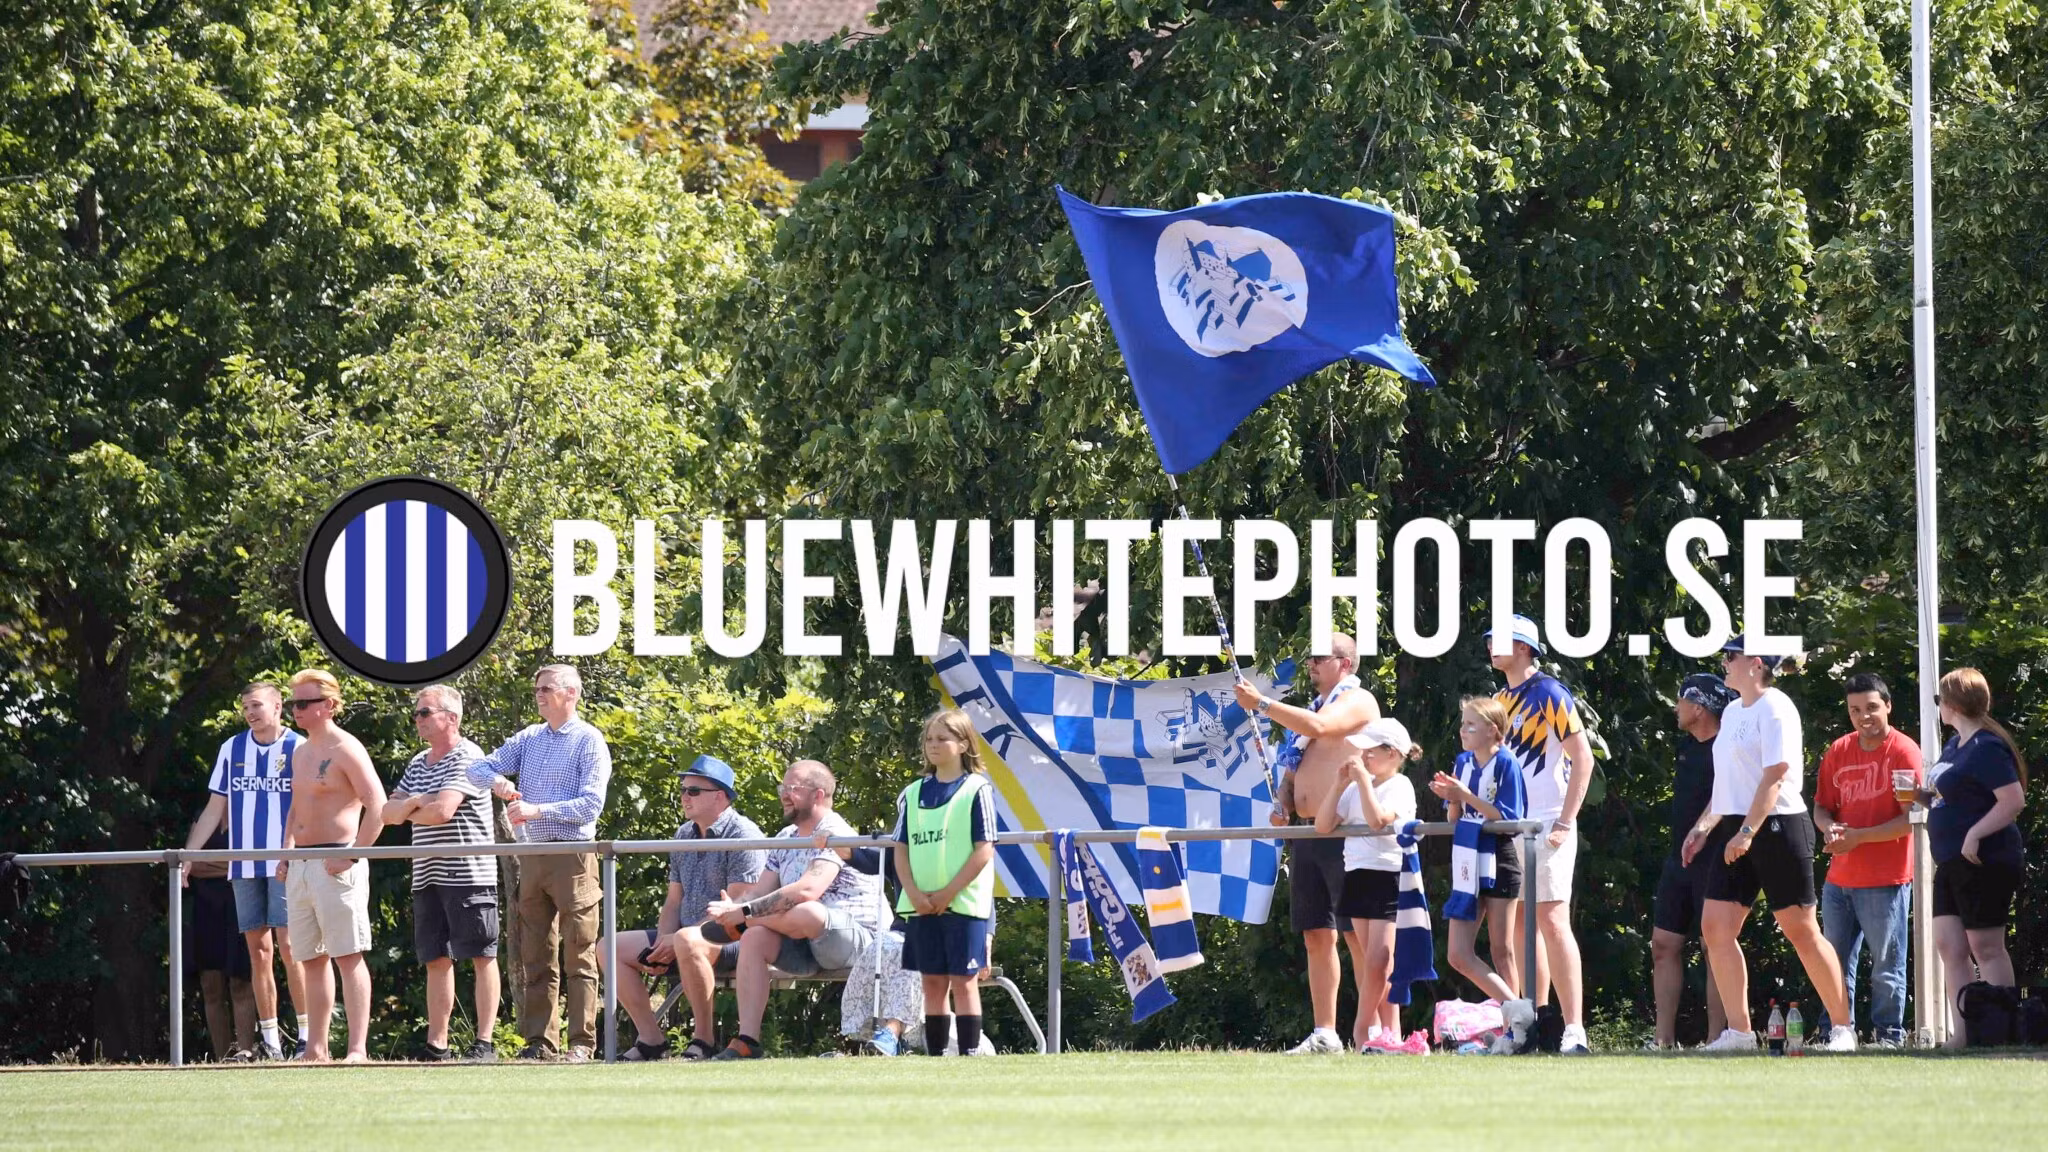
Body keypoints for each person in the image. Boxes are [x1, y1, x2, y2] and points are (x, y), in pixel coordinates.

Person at [1686, 640, 1855, 1052]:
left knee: (1801, 931)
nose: (1725, 662)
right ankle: (1740, 1034)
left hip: (1779, 826)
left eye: (1731, 656)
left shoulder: (1776, 706)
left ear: (1755, 663)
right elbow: (1728, 781)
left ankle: (1843, 1029)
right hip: (1737, 827)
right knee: (1715, 927)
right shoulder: (1731, 711)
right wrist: (1705, 827)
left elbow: (1775, 775)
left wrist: (1747, 833)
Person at [1234, 634, 1383, 1054]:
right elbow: (1292, 771)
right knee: (1316, 934)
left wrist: (1261, 704)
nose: (1311, 664)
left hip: (1346, 834)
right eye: (1310, 657)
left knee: (1357, 935)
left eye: (1320, 657)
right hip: (1307, 834)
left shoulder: (1359, 701)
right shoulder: (1312, 708)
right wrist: (1284, 801)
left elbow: (1320, 728)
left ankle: (1373, 1033)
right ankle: (1325, 1033)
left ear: (1345, 663)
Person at [467, 664, 613, 1062]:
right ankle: (539, 1044)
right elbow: (476, 769)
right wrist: (497, 781)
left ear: (572, 693)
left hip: (573, 856)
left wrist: (536, 810)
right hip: (532, 856)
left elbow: (591, 806)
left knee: (579, 953)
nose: (539, 694)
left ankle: (581, 1044)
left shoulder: (588, 740)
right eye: (537, 689)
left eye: (547, 688)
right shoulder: (530, 738)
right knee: (535, 954)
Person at [701, 760, 881, 1060]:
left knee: (807, 910)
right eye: (782, 788)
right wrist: (734, 906)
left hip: (857, 941)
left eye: (792, 788)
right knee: (754, 938)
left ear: (818, 794)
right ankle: (747, 1041)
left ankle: (743, 924)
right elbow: (760, 892)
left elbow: (808, 890)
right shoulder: (785, 837)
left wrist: (744, 914)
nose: (784, 795)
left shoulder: (835, 832)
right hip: (803, 941)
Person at [600, 754, 767, 1061]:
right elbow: (673, 900)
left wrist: (679, 938)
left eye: (694, 790)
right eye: (683, 790)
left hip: (733, 938)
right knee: (608, 947)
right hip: (685, 937)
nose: (684, 797)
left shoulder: (744, 835)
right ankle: (651, 1040)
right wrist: (664, 940)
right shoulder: (683, 834)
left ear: (720, 796)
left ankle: (704, 1040)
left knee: (687, 939)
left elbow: (736, 908)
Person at [179, 681, 307, 1059]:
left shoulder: (299, 747)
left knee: (290, 948)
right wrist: (189, 856)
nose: (250, 713)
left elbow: (308, 807)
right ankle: (270, 1043)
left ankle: (306, 1037)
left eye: (256, 705)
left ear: (277, 707)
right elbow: (214, 809)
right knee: (259, 952)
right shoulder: (231, 748)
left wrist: (294, 851)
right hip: (244, 865)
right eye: (246, 707)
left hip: (285, 863)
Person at [1486, 614, 1595, 1054]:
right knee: (1519, 926)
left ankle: (1574, 1029)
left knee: (1551, 919)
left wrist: (1565, 821)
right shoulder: (1499, 699)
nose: (1491, 644)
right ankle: (1537, 1021)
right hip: (1511, 825)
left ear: (1524, 647)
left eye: (1500, 638)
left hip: (1548, 822)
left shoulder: (1550, 691)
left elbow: (1582, 758)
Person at [382, 684, 500, 1062]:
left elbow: (442, 812)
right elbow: (387, 813)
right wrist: (419, 802)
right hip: (427, 873)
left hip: (468, 872)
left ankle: (485, 1044)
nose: (417, 719)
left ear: (451, 717)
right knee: (435, 958)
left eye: (424, 712)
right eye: (417, 713)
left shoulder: (469, 756)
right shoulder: (419, 762)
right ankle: (438, 1046)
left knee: (482, 955)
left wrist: (412, 806)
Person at [277, 669, 387, 1063]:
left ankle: (357, 1049)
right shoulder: (300, 751)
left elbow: (378, 805)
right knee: (309, 958)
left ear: (329, 705)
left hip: (337, 859)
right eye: (293, 703)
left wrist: (353, 854)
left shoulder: (346, 748)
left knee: (347, 954)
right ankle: (316, 1048)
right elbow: (297, 806)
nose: (296, 710)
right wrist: (286, 851)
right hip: (302, 863)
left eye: (304, 703)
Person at [1813, 672, 1921, 1048]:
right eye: (1855, 710)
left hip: (1885, 879)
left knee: (1886, 966)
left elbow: (1910, 819)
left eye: (1872, 707)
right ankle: (1836, 1032)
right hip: (1838, 881)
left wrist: (1858, 837)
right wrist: (1828, 828)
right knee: (1832, 962)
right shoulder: (1838, 750)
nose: (1864, 717)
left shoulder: (1904, 751)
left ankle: (1888, 1037)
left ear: (1888, 706)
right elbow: (1821, 807)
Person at [1923, 667, 2028, 1049]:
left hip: (1985, 860)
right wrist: (1919, 797)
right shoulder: (1955, 745)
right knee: (1950, 945)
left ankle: (2000, 1033)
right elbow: (1950, 797)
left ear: (1952, 704)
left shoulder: (1987, 747)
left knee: (1986, 946)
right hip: (1950, 861)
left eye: (1940, 700)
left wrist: (1975, 832)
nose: (1939, 707)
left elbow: (2013, 800)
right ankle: (1964, 1035)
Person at [892, 708, 999, 1057]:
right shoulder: (912, 793)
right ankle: (936, 1055)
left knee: (964, 981)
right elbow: (900, 849)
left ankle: (969, 1053)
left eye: (942, 738)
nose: (933, 745)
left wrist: (948, 892)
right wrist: (913, 893)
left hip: (963, 904)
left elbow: (985, 848)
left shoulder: (977, 789)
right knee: (932, 982)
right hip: (921, 906)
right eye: (929, 739)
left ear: (964, 744)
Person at [1313, 718, 1421, 1054]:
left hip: (1388, 875)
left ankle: (1363, 1030)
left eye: (1371, 751)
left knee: (1380, 961)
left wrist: (1361, 782)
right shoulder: (1355, 788)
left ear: (1392, 753)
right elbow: (1322, 825)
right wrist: (1338, 784)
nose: (1364, 757)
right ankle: (1390, 1033)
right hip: (1357, 874)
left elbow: (1377, 821)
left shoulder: (1400, 785)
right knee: (1373, 963)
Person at [1648, 673, 1732, 1050]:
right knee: (1663, 944)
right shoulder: (1684, 746)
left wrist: (1702, 831)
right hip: (1677, 860)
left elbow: (1729, 794)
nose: (1676, 707)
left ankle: (1717, 1039)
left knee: (1715, 946)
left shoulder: (1727, 747)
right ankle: (1662, 1040)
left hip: (1715, 859)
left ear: (1699, 708)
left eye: (1682, 700)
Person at [1428, 696, 1524, 1005]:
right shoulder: (1462, 762)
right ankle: (1517, 1010)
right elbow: (1453, 818)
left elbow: (1508, 818)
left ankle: (1515, 1023)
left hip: (1499, 856)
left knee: (1501, 949)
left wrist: (1465, 795)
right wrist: (1453, 798)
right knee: (1458, 954)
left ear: (1493, 730)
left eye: (1471, 724)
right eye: (1463, 723)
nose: (1463, 730)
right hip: (1467, 856)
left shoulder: (1506, 762)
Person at [185, 822, 257, 1061]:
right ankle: (222, 1059)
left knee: (241, 982)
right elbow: (191, 865)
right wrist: (231, 864)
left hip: (241, 904)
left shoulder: (246, 817)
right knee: (210, 984)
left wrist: (215, 863)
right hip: (207, 907)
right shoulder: (202, 819)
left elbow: (256, 863)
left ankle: (245, 1055)